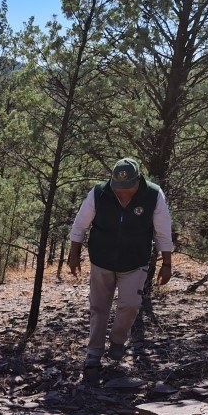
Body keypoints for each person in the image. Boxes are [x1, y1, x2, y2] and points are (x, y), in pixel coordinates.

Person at [67, 157, 174, 369]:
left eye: (128, 187)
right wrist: (74, 253)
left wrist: (167, 263)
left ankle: (117, 341)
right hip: (102, 259)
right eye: (118, 187)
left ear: (138, 180)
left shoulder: (153, 195)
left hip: (135, 261)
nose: (123, 192)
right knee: (98, 307)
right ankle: (94, 352)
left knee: (130, 305)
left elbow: (163, 231)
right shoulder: (98, 193)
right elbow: (80, 224)